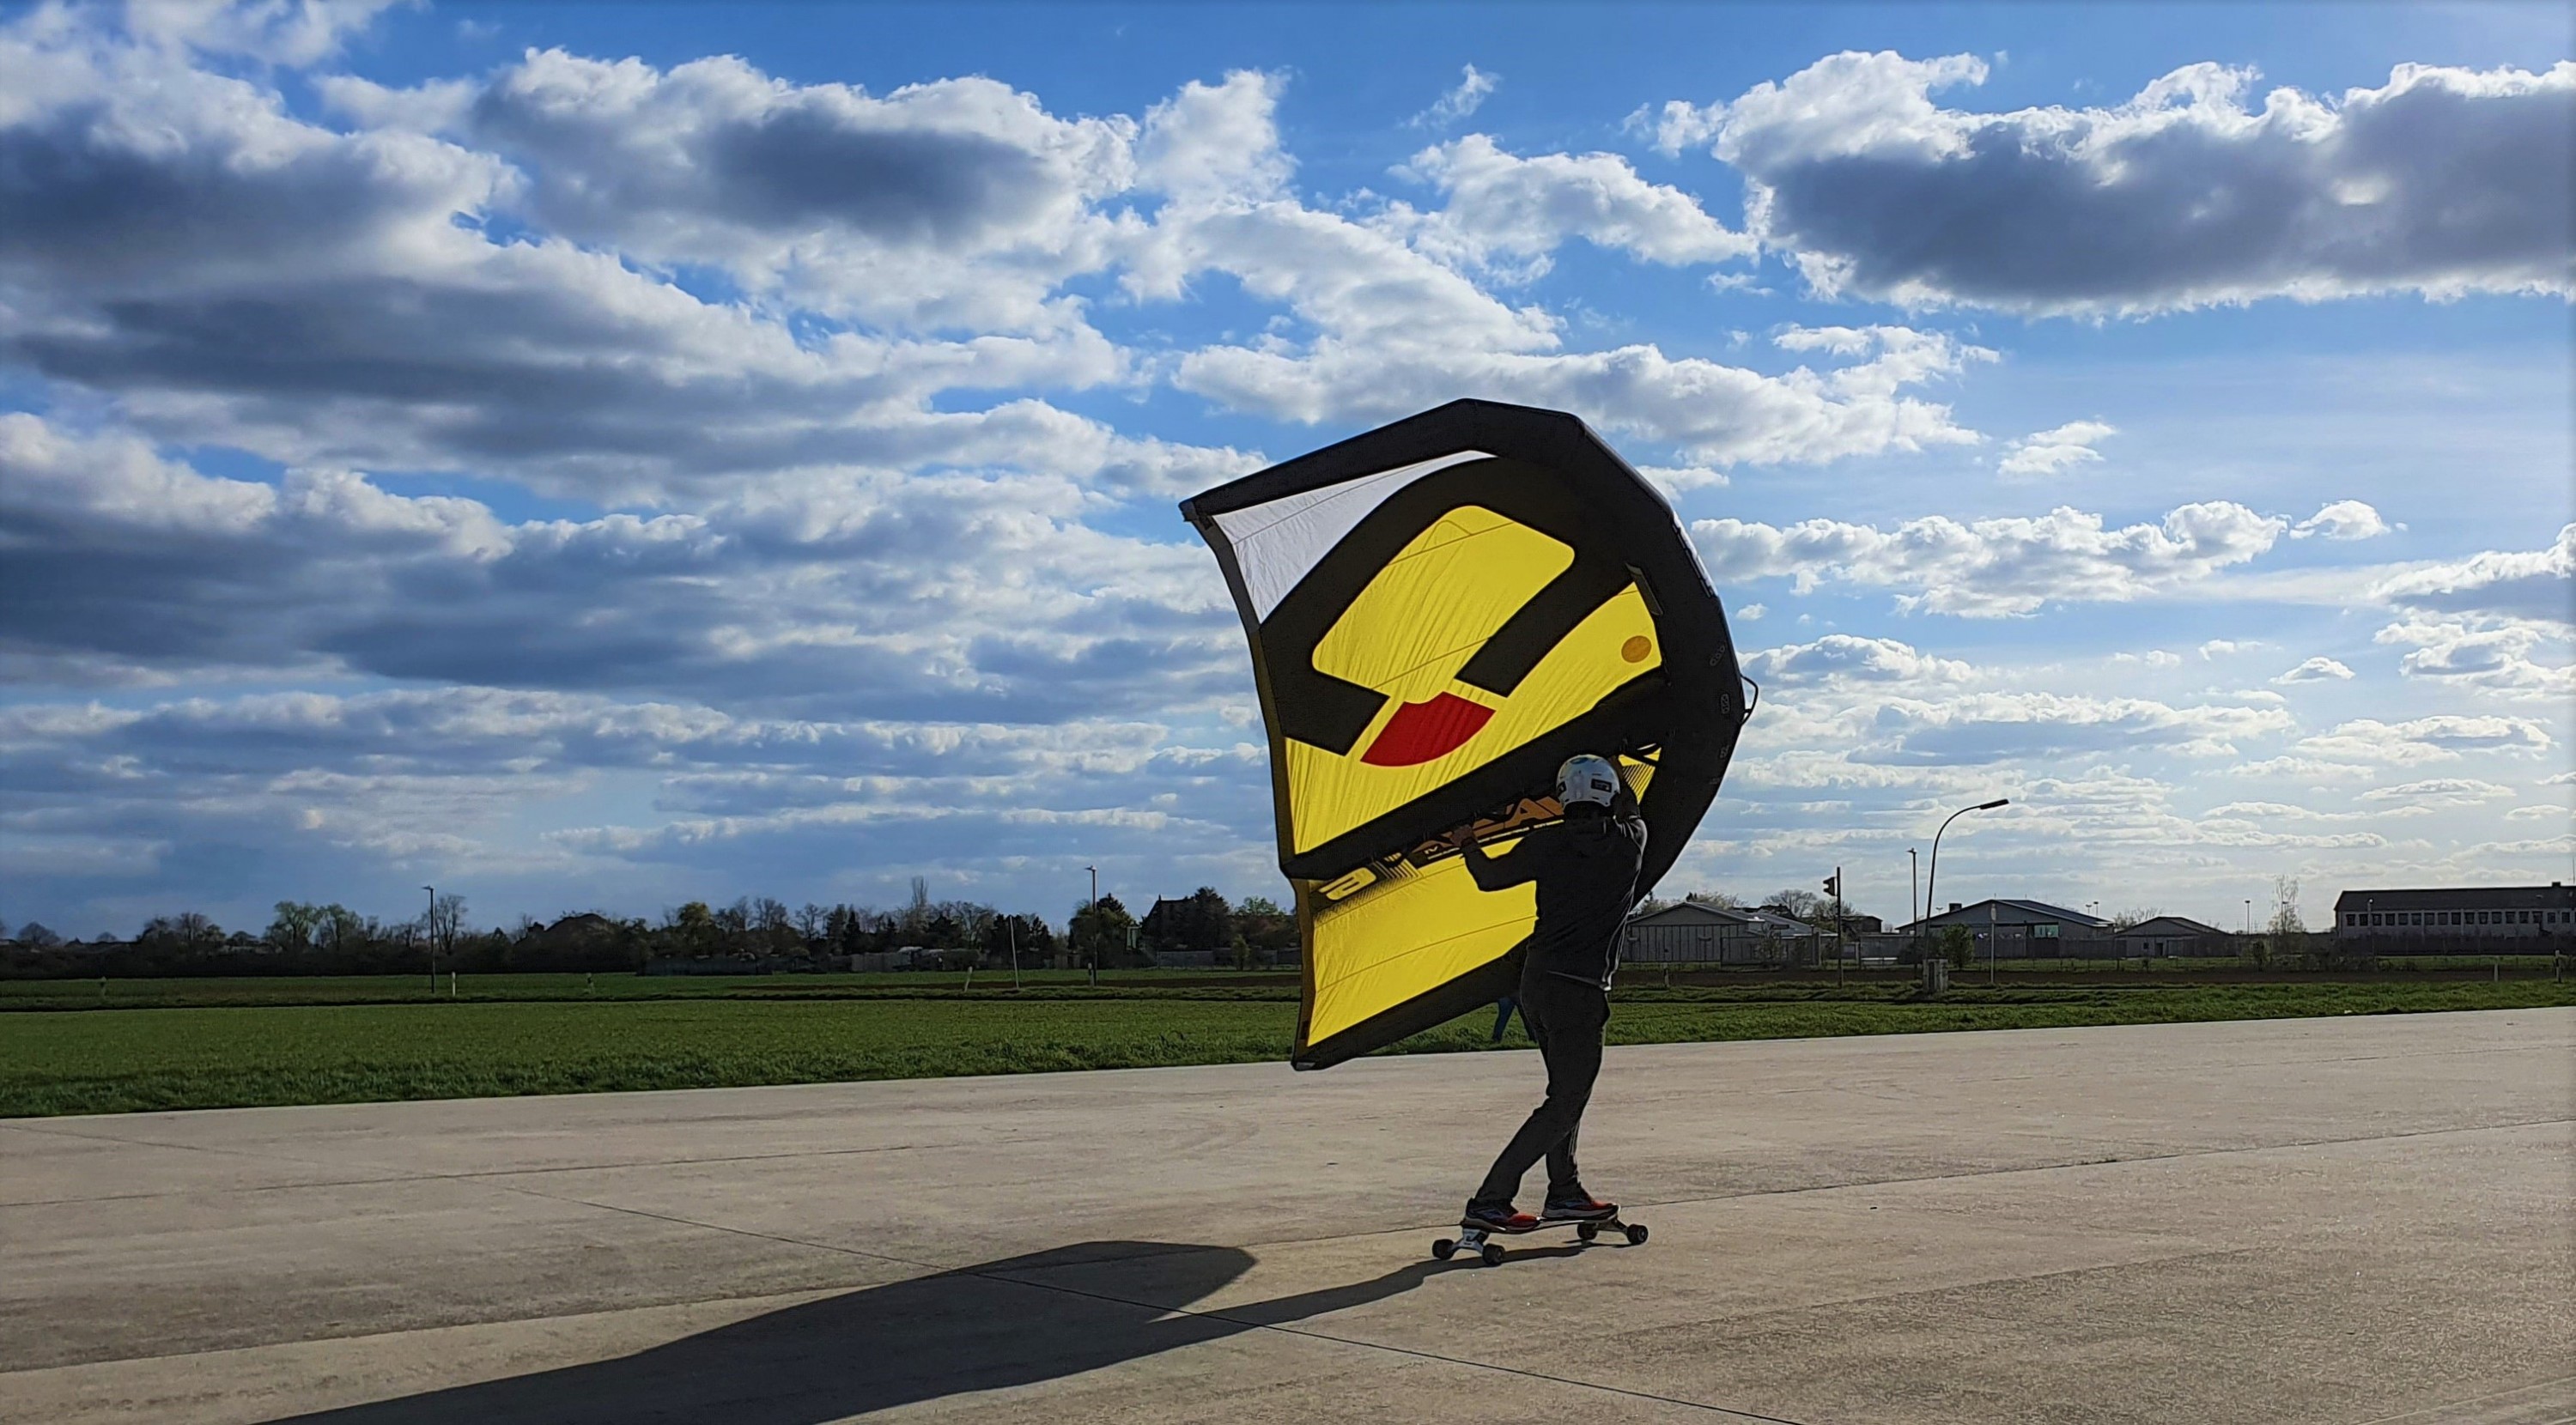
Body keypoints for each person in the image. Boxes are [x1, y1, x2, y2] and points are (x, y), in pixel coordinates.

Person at [1448, 753, 1645, 1233]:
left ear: (1562, 798)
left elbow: (1489, 878)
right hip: (1580, 992)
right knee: (1566, 1100)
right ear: (1609, 796)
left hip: (1536, 987)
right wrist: (1618, 759)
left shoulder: (1545, 844)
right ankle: (1491, 1199)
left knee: (1565, 1095)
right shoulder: (1630, 843)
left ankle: (1566, 1192)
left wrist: (1467, 842)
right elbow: (1633, 805)